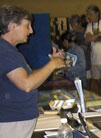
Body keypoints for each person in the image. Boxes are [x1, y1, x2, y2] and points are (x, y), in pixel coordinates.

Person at [0, 5, 66, 138]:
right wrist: (52, 65)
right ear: (12, 26)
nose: (31, 31)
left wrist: (51, 64)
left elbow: (29, 77)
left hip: (17, 119)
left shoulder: (10, 51)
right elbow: (27, 84)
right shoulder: (5, 52)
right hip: (13, 121)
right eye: (27, 25)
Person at [70, 15, 91, 89]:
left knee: (90, 82)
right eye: (71, 25)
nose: (73, 27)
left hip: (88, 60)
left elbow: (87, 46)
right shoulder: (72, 34)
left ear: (79, 23)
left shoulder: (86, 31)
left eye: (74, 24)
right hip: (77, 62)